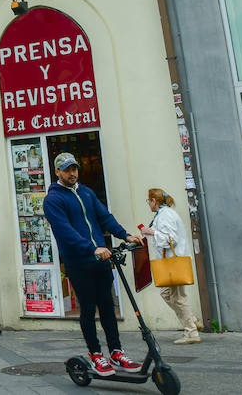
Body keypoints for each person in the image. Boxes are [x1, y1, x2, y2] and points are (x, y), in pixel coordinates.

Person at [43, 153, 145, 378]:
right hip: (79, 262)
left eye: (74, 169)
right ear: (57, 172)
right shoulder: (53, 200)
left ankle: (116, 353)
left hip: (101, 260)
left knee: (107, 306)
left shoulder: (86, 192)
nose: (72, 173)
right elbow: (64, 231)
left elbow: (104, 217)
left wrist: (124, 235)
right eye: (67, 170)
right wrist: (92, 248)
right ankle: (96, 354)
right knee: (88, 308)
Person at [142, 188, 201, 345]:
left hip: (172, 262)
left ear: (155, 200)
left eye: (149, 201)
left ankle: (191, 331)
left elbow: (170, 239)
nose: (149, 204)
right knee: (167, 293)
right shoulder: (163, 214)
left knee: (177, 297)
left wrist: (152, 232)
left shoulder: (166, 215)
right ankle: (192, 320)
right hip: (172, 262)